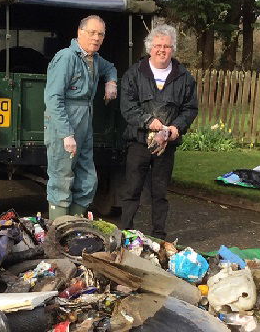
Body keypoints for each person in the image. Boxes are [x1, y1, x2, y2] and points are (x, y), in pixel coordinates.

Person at [119, 23, 198, 240]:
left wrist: (176, 128)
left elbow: (190, 108)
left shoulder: (184, 77)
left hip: (167, 146)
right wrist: (148, 121)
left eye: (167, 46)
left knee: (160, 193)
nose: (162, 50)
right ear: (149, 48)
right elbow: (127, 107)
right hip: (139, 142)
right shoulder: (134, 74)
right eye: (158, 46)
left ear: (173, 49)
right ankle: (125, 233)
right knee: (132, 191)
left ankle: (159, 237)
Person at [44, 15, 118, 220]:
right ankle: (58, 231)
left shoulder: (94, 59)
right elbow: (53, 98)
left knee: (88, 180)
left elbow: (110, 67)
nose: (96, 38)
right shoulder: (67, 58)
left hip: (85, 122)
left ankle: (74, 226)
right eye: (92, 33)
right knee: (62, 178)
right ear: (80, 33)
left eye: (100, 34)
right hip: (65, 122)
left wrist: (111, 82)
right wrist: (66, 134)